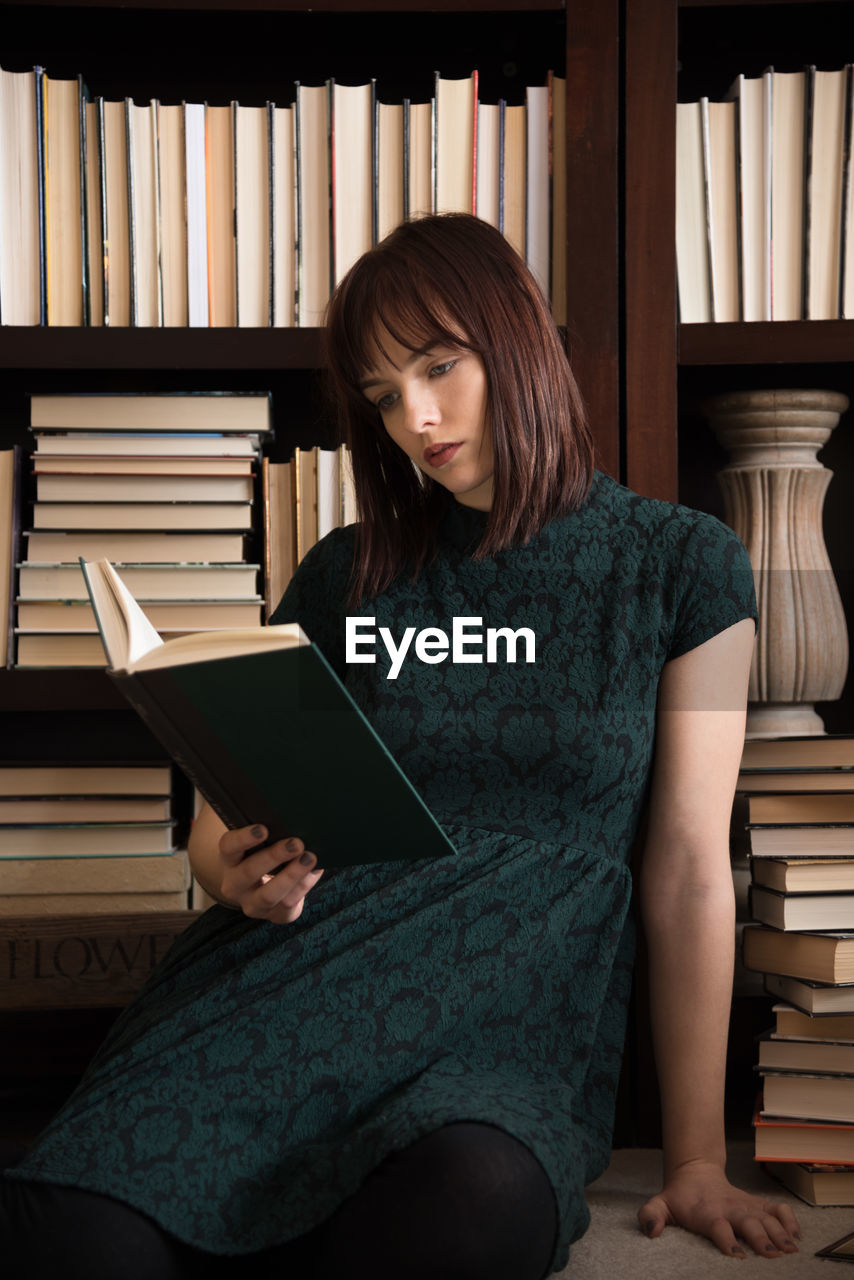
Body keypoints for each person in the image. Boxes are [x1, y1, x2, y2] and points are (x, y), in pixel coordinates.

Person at [2, 213, 801, 1278]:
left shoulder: (679, 562)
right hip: (289, 983)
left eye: (438, 365)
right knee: (75, 1233)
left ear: (515, 341)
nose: (415, 417)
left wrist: (696, 1153)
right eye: (381, 394)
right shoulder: (345, 574)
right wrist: (236, 875)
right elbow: (216, 826)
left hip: (501, 1030)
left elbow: (692, 871)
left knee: (466, 1212)